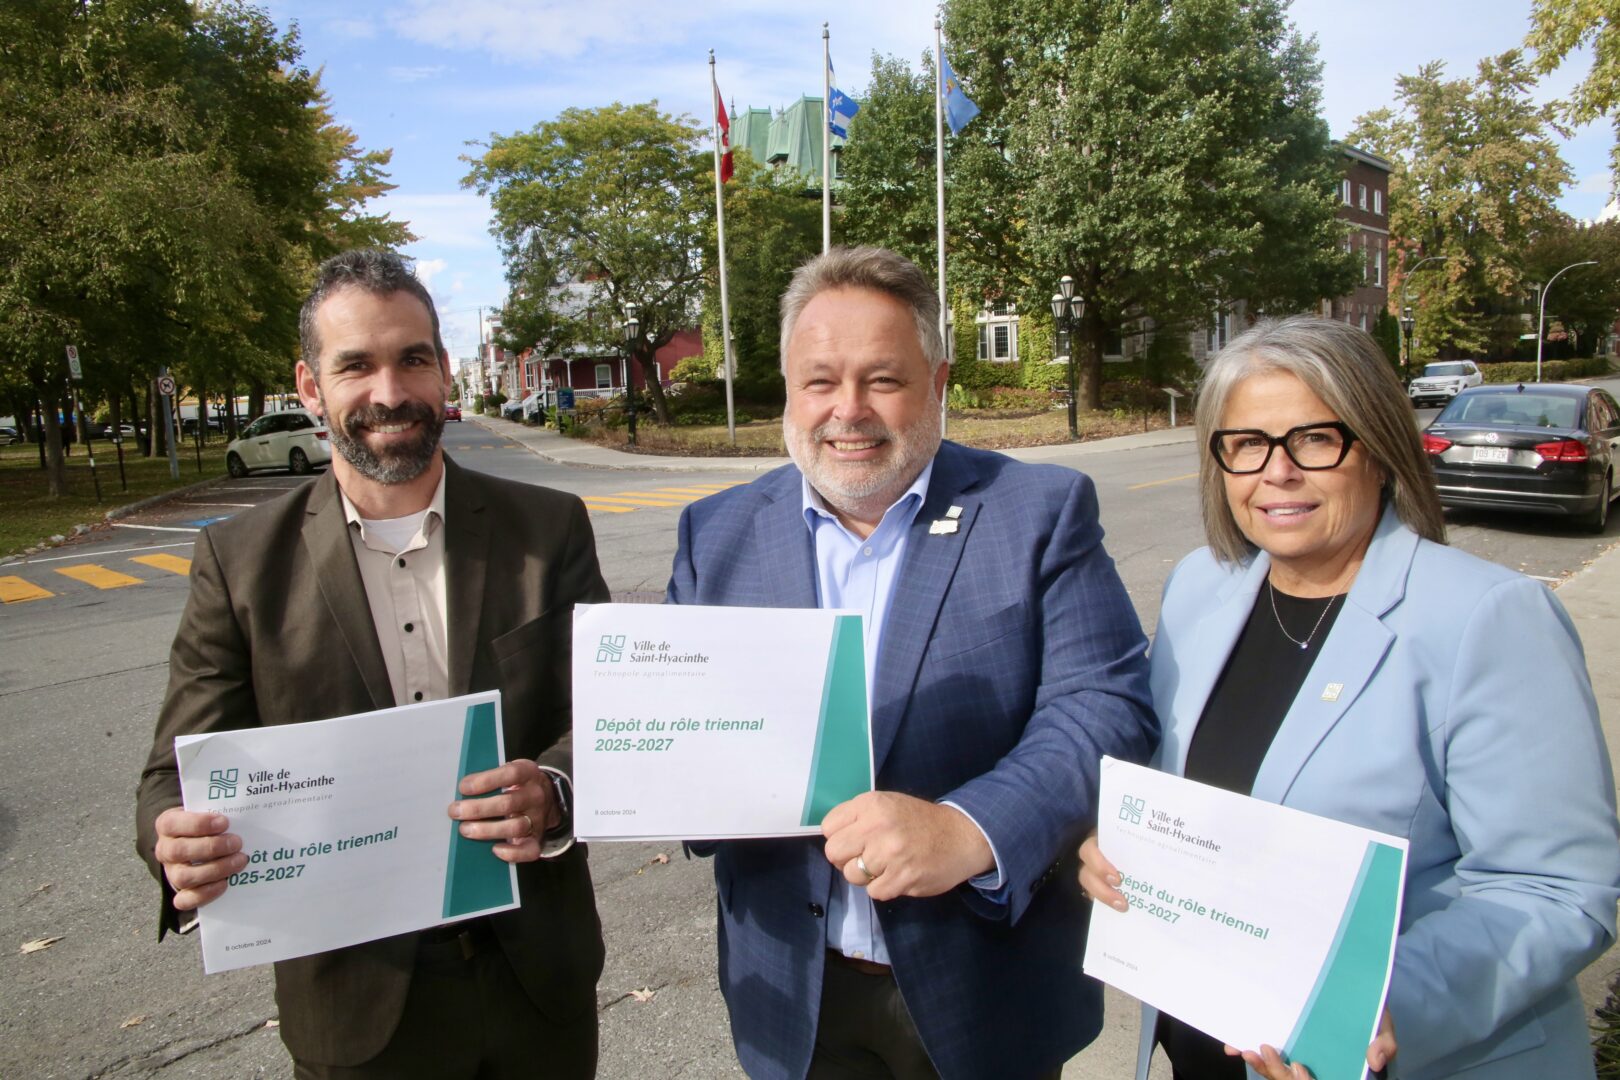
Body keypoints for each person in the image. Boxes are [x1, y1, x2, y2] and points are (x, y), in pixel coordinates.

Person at [1079, 315, 1620, 1080]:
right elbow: (1186, 790)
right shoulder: (1203, 586)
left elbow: (1561, 888)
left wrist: (1375, 1004)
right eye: (1247, 445)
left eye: (1314, 439)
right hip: (1206, 1047)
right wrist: (1122, 853)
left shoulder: (1486, 618)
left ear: (1379, 449)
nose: (1277, 473)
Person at [667, 246, 1158, 1079]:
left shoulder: (1038, 512)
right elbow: (679, 730)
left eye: (883, 380)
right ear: (788, 387)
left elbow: (1103, 706)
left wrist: (967, 828)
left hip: (982, 989)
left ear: (938, 382)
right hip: (793, 991)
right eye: (820, 380)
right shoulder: (713, 535)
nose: (847, 411)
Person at [135, 249, 608, 1079]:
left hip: (537, 985)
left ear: (444, 371)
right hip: (354, 1005)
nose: (389, 392)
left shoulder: (551, 527)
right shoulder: (238, 563)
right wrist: (174, 846)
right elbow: (171, 781)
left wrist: (556, 788)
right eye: (356, 365)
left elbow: (605, 719)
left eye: (412, 359)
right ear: (312, 388)